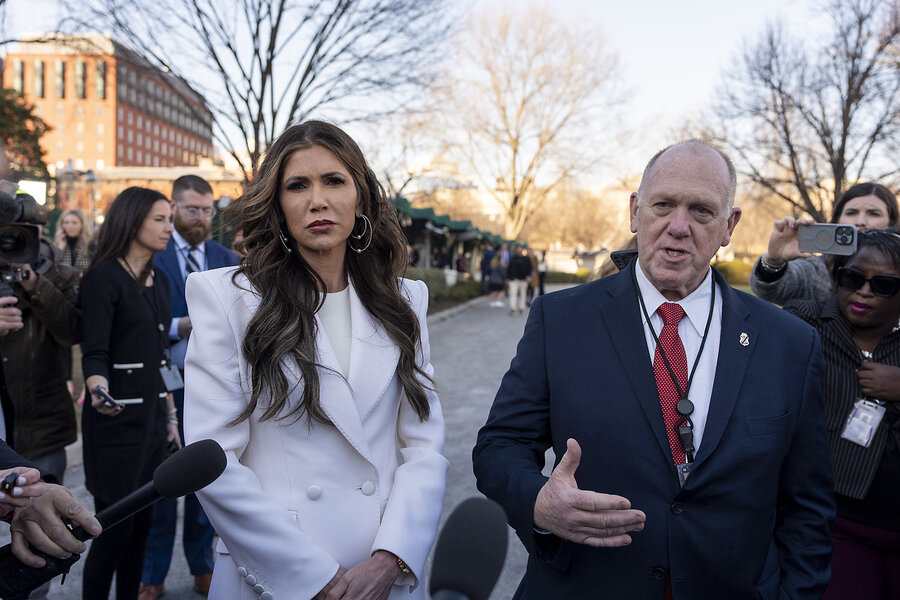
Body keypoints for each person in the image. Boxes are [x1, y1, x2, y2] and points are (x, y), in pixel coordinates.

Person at [473, 140, 836, 598]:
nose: (678, 227)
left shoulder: (790, 344)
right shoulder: (559, 320)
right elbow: (499, 446)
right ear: (634, 212)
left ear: (730, 226)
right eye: (663, 205)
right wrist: (539, 503)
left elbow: (809, 507)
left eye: (702, 211)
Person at [183, 120, 447, 600]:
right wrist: (313, 577)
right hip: (275, 576)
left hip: (383, 575)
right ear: (278, 204)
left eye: (334, 181)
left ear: (360, 197)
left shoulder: (406, 300)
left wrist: (392, 557)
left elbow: (425, 446)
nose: (317, 200)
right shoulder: (227, 299)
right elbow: (213, 458)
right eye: (297, 185)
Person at [783, 229, 900, 600]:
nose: (864, 291)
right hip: (837, 522)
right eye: (853, 278)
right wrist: (774, 263)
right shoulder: (807, 323)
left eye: (883, 285)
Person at [140, 176, 239, 600]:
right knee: (163, 483)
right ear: (174, 207)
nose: (200, 218)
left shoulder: (226, 257)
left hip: (216, 388)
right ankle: (152, 574)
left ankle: (202, 565)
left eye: (207, 210)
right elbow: (139, 324)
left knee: (208, 479)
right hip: (165, 389)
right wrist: (181, 326)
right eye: (191, 209)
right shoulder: (152, 259)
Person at [80, 187, 181, 600]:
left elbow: (161, 357)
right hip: (115, 426)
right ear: (132, 220)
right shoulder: (104, 277)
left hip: (155, 425)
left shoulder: (159, 279)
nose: (168, 227)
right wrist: (97, 387)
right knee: (112, 531)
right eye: (159, 219)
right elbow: (95, 351)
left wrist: (172, 419)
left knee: (142, 530)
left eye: (168, 219)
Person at [750, 182, 898, 305]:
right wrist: (773, 262)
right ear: (837, 220)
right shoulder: (816, 270)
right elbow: (768, 291)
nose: (861, 222)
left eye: (874, 214)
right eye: (851, 213)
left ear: (891, 223)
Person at [54, 208, 92, 274]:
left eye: (74, 223)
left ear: (82, 225)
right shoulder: (56, 245)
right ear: (61, 225)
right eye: (66, 222)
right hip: (63, 283)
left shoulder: (90, 244)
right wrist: (60, 248)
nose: (70, 226)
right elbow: (53, 268)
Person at [506, 246, 532, 316]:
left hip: (523, 280)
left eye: (520, 249)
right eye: (518, 249)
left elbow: (530, 268)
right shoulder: (512, 258)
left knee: (523, 294)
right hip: (514, 279)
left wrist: (529, 276)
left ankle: (521, 308)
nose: (519, 251)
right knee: (512, 293)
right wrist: (507, 278)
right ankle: (513, 309)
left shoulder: (526, 259)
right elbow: (509, 269)